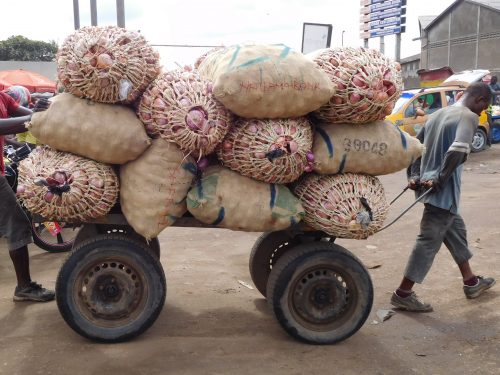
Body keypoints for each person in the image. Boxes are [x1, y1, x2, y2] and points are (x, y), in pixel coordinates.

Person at [390, 82, 496, 312]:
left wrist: (415, 176)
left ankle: (471, 282)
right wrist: (440, 177)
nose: (482, 112)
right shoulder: (468, 116)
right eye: (484, 107)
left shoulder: (436, 115)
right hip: (441, 191)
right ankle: (403, 293)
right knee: (428, 241)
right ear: (480, 100)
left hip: (430, 189)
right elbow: (458, 149)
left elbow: (416, 148)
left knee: (456, 230)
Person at [0, 90, 54, 302]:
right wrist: (33, 117)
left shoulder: (3, 96)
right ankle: (24, 287)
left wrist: (40, 110)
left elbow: (27, 113)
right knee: (17, 222)